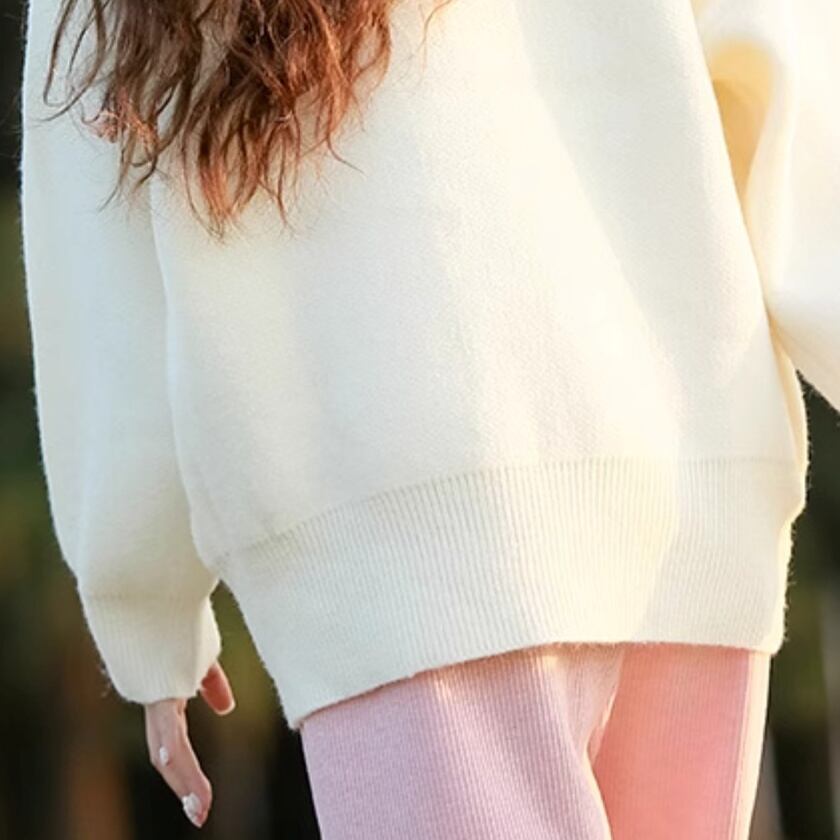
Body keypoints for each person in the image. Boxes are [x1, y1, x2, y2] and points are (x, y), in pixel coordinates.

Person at [18, 0, 839, 836]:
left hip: (401, 558)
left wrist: (145, 604)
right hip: (693, 496)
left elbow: (101, 261)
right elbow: (796, 85)